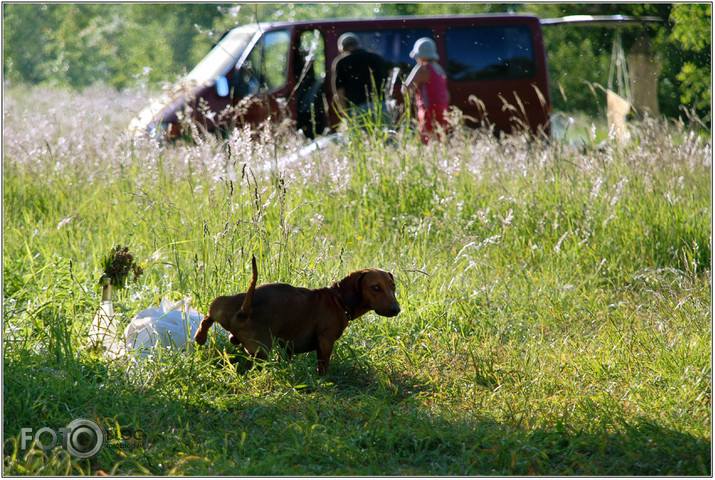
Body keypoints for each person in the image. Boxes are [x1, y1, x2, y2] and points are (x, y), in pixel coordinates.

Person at [331, 32, 388, 123]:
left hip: (358, 110)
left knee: (362, 137)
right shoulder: (377, 58)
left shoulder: (342, 63)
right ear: (358, 44)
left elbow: (339, 92)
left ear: (342, 48)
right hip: (382, 108)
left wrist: (345, 116)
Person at [403, 37, 450, 144]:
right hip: (443, 111)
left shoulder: (422, 68)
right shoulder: (439, 69)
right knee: (441, 143)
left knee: (427, 144)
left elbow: (406, 88)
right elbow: (447, 96)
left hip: (428, 112)